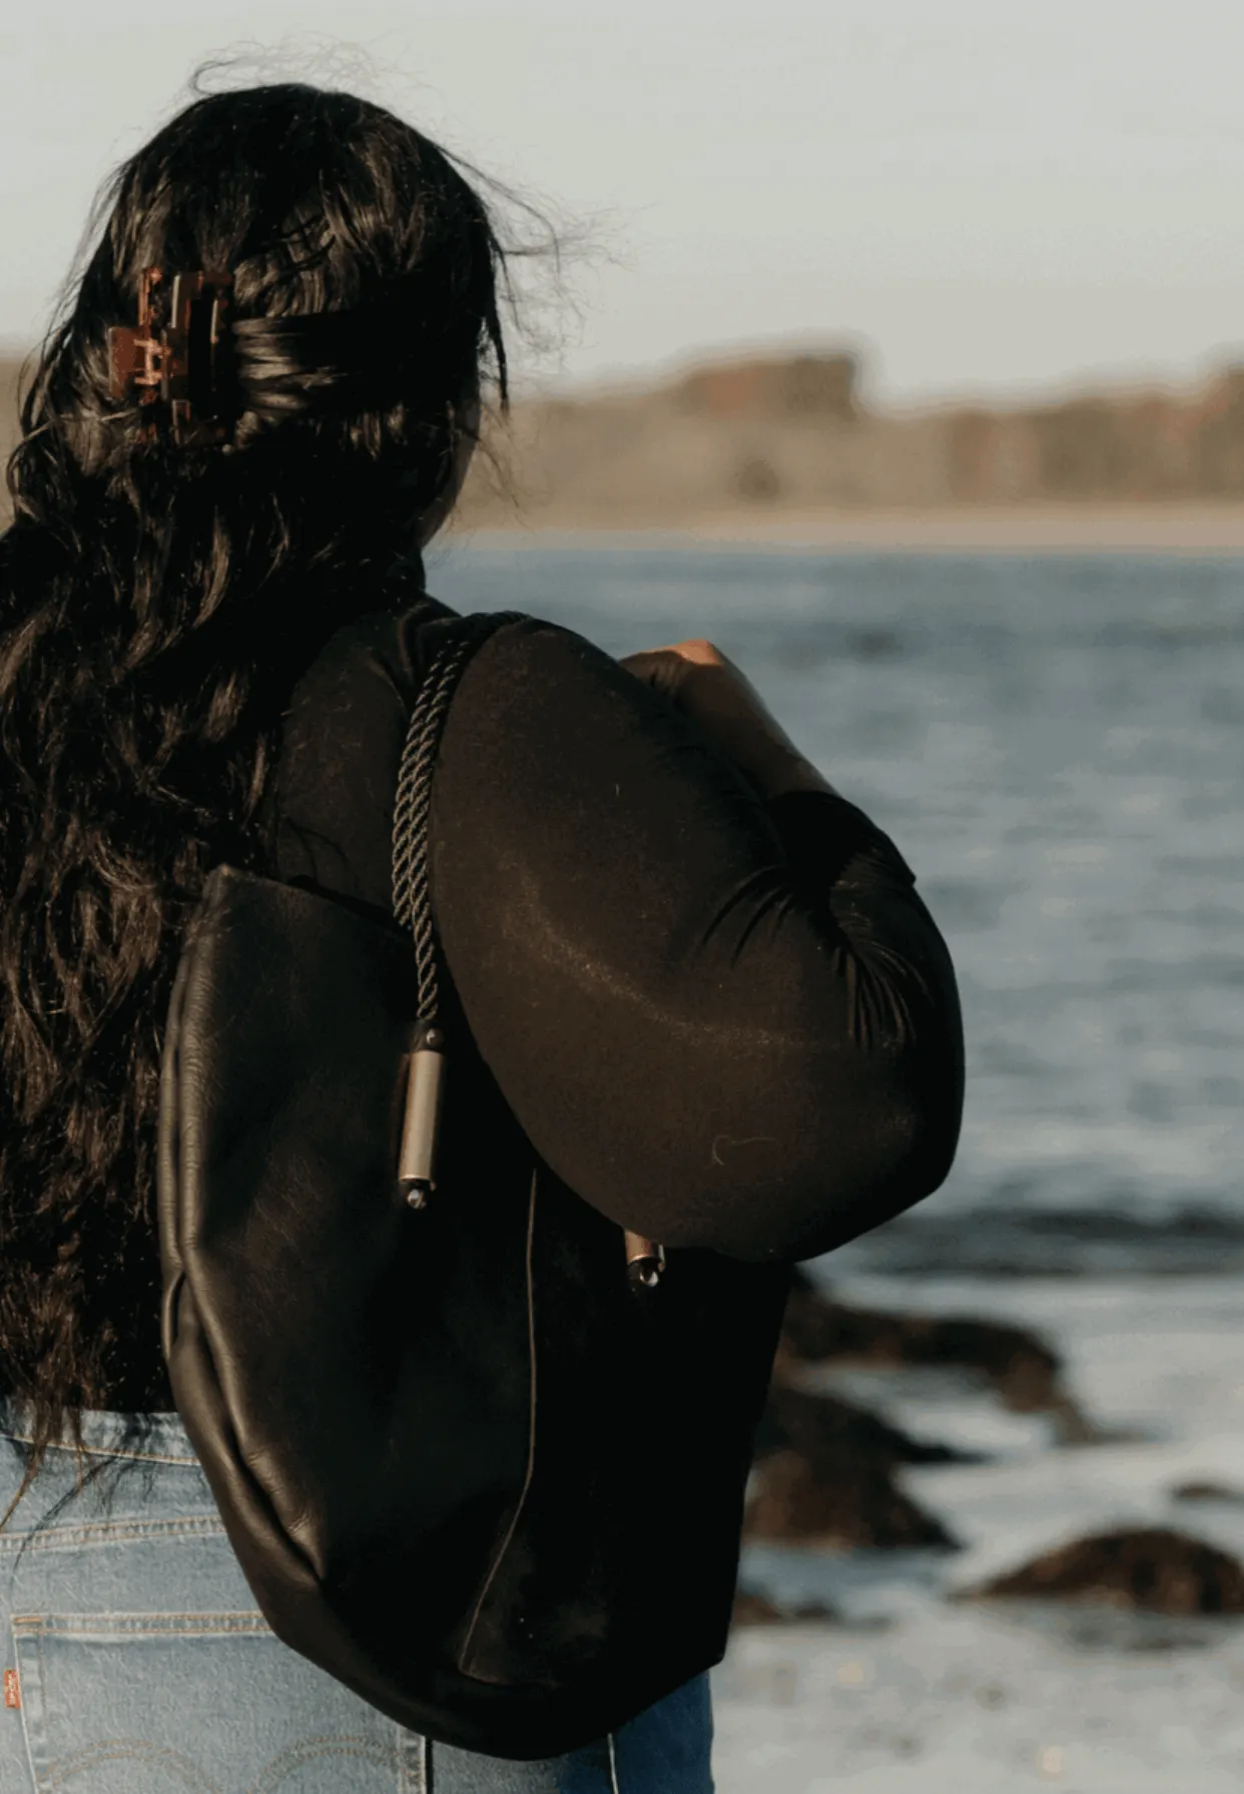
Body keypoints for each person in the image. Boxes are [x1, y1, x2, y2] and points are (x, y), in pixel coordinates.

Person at [0, 81, 964, 1794]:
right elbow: (848, 1098)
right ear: (434, 410)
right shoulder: (469, 714)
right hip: (392, 1625)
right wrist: (769, 774)